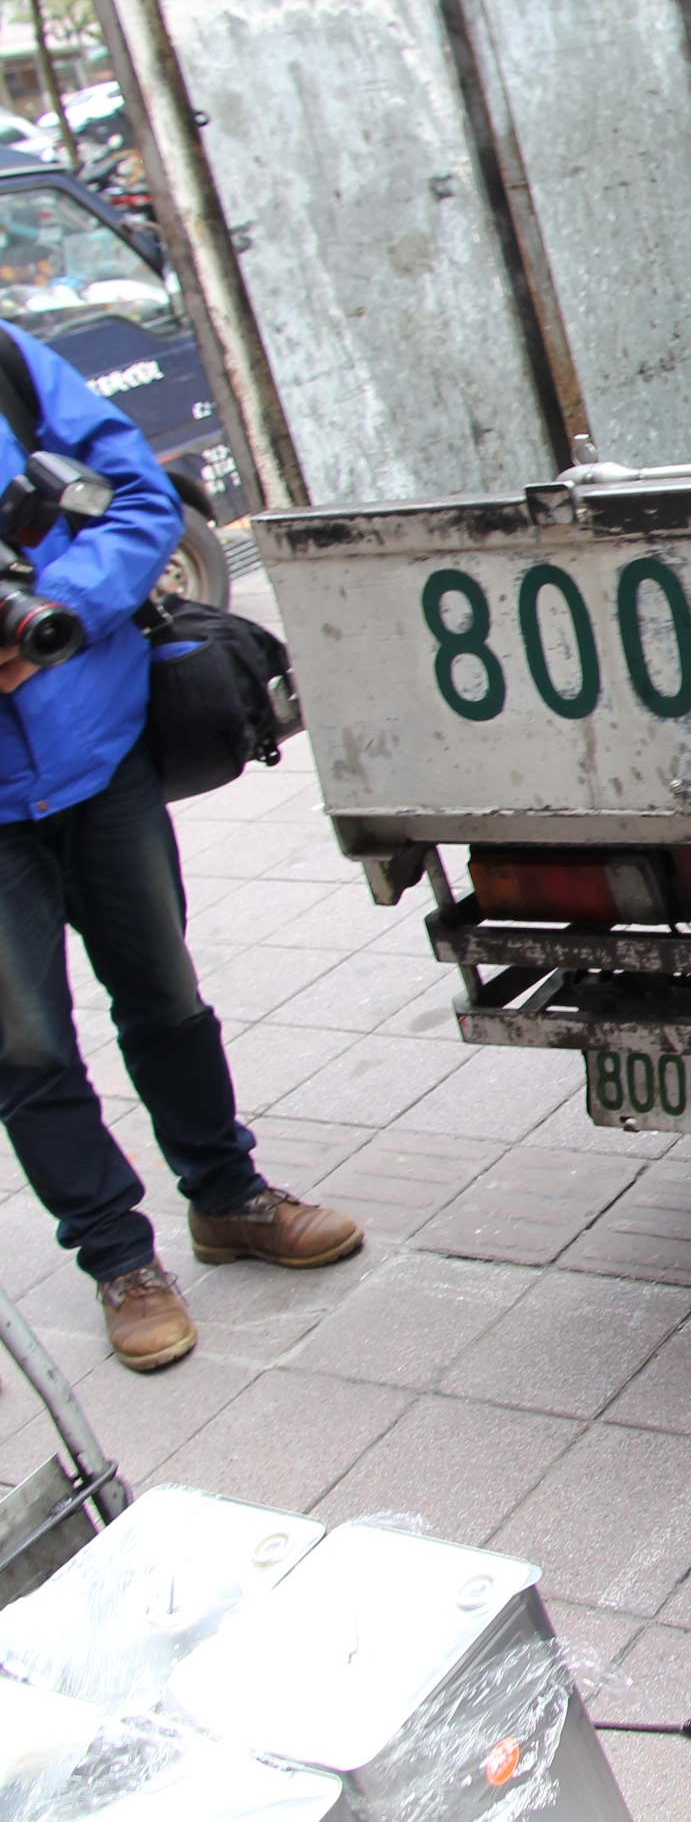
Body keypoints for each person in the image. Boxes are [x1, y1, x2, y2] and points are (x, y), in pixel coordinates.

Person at [0, 323, 361, 1373]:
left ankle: (228, 1196)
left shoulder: (12, 365)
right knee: (26, 1046)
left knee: (163, 991)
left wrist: (59, 608)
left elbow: (145, 498)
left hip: (98, 756)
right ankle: (119, 1258)